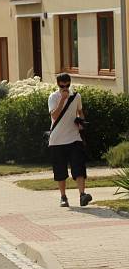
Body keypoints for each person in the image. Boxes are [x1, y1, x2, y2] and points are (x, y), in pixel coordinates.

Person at [48, 73, 91, 207]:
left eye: (67, 85)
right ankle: (63, 197)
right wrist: (62, 100)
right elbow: (54, 116)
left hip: (74, 137)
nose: (65, 88)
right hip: (57, 139)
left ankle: (82, 195)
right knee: (60, 170)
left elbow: (80, 111)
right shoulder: (53, 97)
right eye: (62, 85)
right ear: (58, 84)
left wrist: (81, 122)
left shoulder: (76, 96)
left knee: (79, 166)